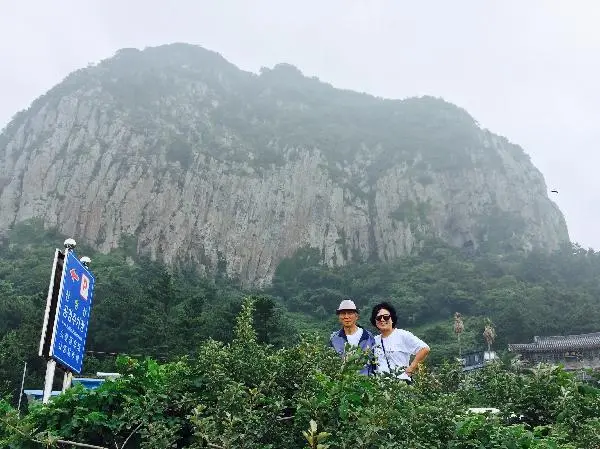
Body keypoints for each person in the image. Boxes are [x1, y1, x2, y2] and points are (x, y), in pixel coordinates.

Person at [370, 301, 430, 382]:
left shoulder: (402, 335)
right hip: (380, 385)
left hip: (401, 384)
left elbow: (424, 349)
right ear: (375, 322)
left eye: (386, 317)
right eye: (378, 318)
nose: (382, 320)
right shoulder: (374, 340)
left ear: (392, 319)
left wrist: (411, 368)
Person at [329, 298, 376, 375]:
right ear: (339, 317)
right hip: (342, 380)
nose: (346, 317)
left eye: (350, 313)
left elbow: (374, 362)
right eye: (343, 313)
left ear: (356, 316)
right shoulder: (334, 338)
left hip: (365, 381)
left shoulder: (368, 337)